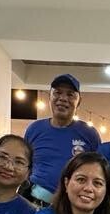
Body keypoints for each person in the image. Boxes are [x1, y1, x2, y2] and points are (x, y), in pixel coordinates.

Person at [24, 74, 100, 205]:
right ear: (50, 97)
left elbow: (97, 172)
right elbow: (25, 166)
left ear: (78, 101)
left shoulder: (89, 133)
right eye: (57, 93)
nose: (63, 98)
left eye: (70, 95)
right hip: (35, 204)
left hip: (74, 208)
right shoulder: (34, 129)